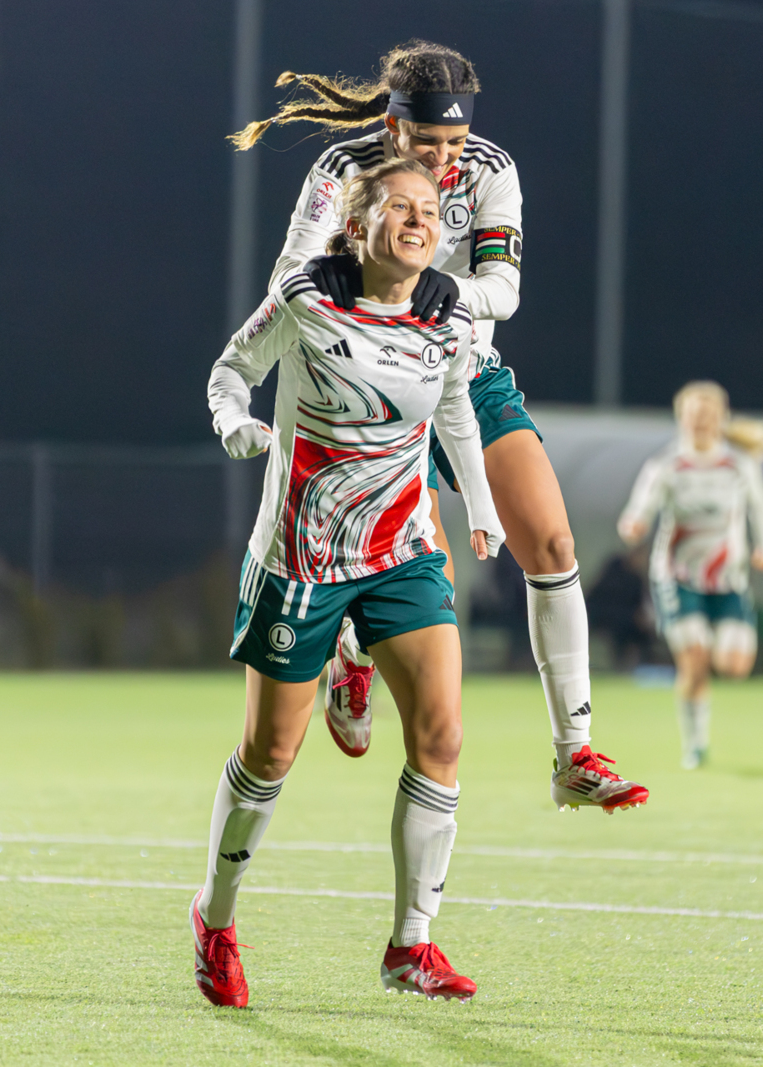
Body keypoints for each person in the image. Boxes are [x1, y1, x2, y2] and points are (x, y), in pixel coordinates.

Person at [234, 39, 648, 814]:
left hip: (464, 369)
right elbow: (288, 277)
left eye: (454, 140)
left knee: (553, 544)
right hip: (368, 386)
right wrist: (379, 290)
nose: (446, 156)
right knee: (431, 575)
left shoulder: (492, 169)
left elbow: (504, 290)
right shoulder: (339, 174)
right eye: (429, 142)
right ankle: (355, 651)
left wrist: (432, 289)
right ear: (394, 128)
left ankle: (573, 754)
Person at [198, 159, 504, 1008]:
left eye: (430, 211)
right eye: (399, 208)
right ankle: (215, 919)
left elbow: (453, 410)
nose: (417, 221)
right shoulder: (305, 299)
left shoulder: (447, 317)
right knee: (271, 754)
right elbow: (230, 369)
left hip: (403, 549)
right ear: (360, 223)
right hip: (303, 557)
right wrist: (235, 423)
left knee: (442, 735)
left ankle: (412, 945)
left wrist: (477, 504)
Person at [617, 383, 763, 769]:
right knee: (694, 658)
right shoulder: (666, 467)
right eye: (693, 414)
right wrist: (633, 525)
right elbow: (638, 510)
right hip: (677, 576)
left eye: (708, 415)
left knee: (734, 666)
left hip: (728, 579)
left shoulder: (739, 464)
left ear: (721, 419)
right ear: (681, 419)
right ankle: (696, 744)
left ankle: (702, 715)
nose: (701, 422)